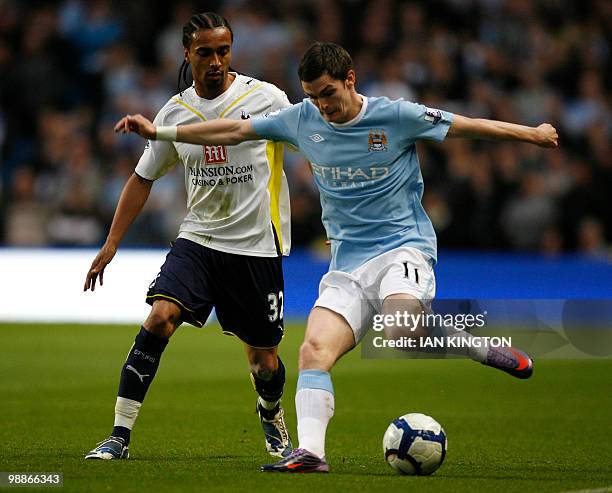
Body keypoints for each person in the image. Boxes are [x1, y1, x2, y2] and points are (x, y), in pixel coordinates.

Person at [114, 42, 559, 472]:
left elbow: (467, 125)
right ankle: (310, 453)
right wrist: (162, 131)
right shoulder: (301, 119)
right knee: (313, 351)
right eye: (312, 96)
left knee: (403, 331)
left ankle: (481, 348)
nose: (321, 106)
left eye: (328, 93)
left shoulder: (395, 115)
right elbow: (233, 129)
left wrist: (532, 134)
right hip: (346, 265)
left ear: (350, 80)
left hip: (401, 248)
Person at [84, 12, 294, 460]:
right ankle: (118, 436)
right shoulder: (175, 111)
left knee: (264, 362)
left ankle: (270, 410)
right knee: (160, 317)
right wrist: (111, 243)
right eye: (205, 52)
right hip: (198, 241)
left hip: (256, 246)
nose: (216, 61)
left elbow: (310, 142)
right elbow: (143, 178)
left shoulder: (267, 98)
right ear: (187, 54)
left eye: (223, 51)